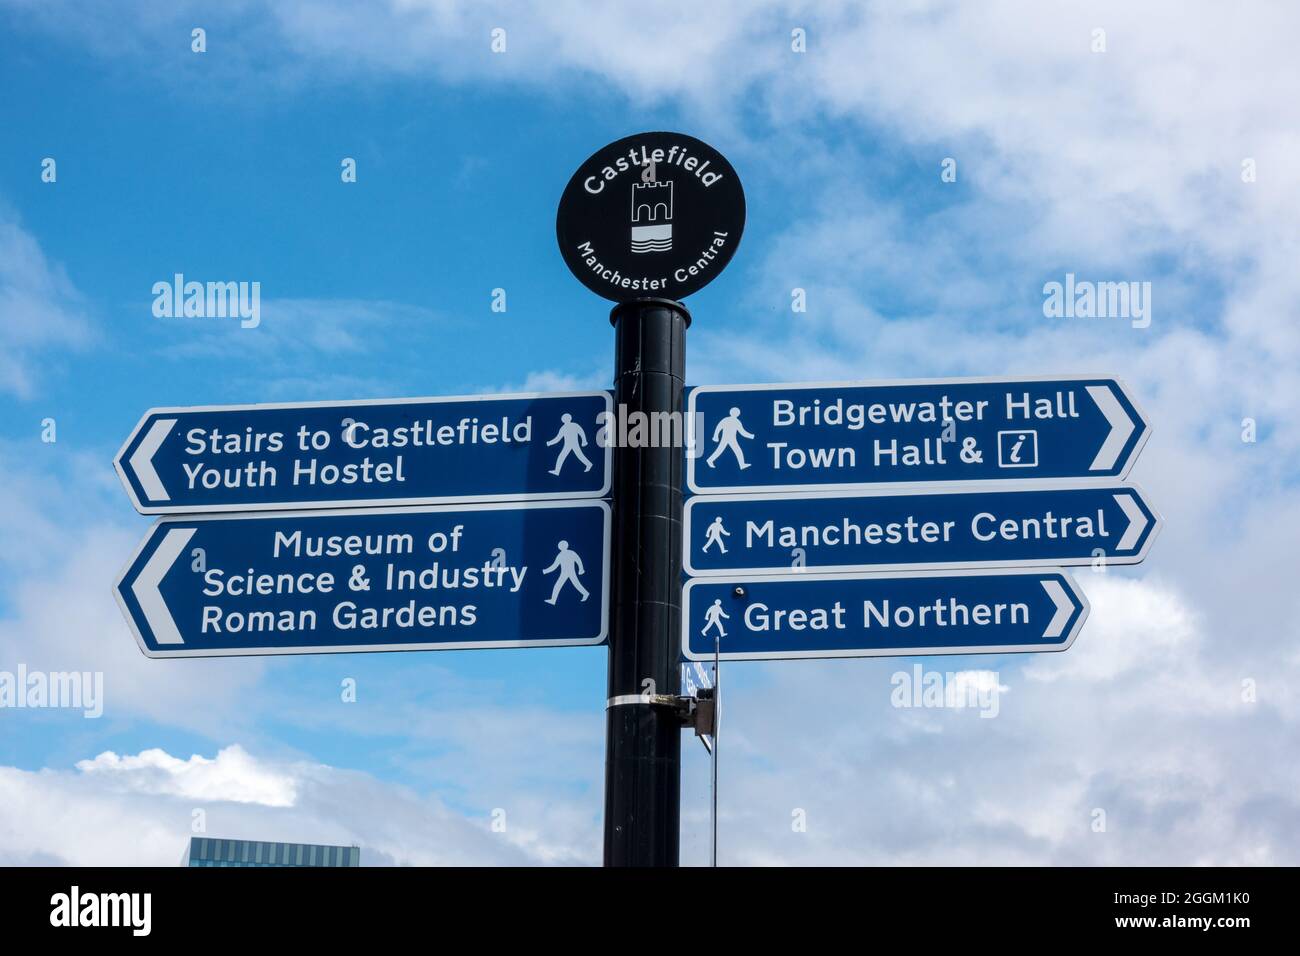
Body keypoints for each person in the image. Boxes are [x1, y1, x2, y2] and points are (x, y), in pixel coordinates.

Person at [543, 540, 590, 604]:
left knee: (575, 584)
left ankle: (586, 593)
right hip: (564, 573)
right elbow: (554, 566)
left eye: (562, 545)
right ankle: (553, 600)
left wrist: (581, 569)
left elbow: (578, 560)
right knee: (559, 585)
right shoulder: (560, 555)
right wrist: (546, 571)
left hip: (570, 572)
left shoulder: (571, 553)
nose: (560, 547)